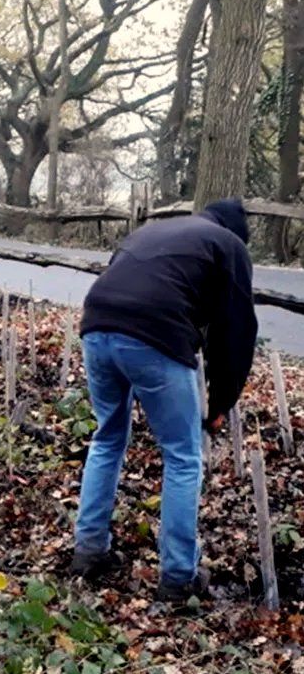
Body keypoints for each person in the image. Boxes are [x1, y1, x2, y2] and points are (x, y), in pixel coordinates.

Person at [70, 198, 258, 601]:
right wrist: (220, 404)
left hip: (96, 326)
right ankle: (178, 577)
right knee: (183, 456)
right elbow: (235, 333)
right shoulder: (229, 246)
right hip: (155, 336)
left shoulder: (154, 230)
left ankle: (88, 551)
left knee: (107, 438)